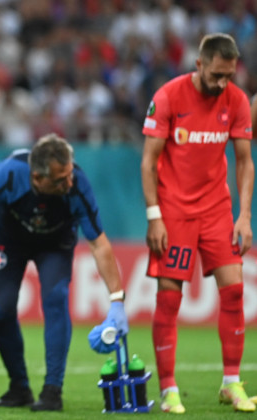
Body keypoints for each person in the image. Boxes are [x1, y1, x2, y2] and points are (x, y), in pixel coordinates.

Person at [0, 133, 128, 411]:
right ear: (37, 178)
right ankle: (19, 388)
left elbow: (99, 244)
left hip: (55, 243)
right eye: (59, 180)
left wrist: (116, 301)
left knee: (56, 298)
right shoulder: (9, 174)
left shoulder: (77, 185)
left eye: (69, 174)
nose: (69, 182)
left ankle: (53, 390)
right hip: (8, 239)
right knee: (1, 308)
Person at [141, 33, 255, 414]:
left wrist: (243, 215)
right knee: (169, 298)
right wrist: (154, 215)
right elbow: (148, 161)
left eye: (229, 76)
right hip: (173, 212)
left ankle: (231, 383)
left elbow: (243, 161)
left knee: (235, 293)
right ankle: (169, 388)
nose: (222, 83)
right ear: (199, 65)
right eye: (216, 75)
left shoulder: (236, 100)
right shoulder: (169, 96)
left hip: (217, 210)